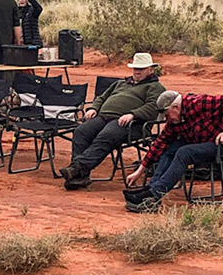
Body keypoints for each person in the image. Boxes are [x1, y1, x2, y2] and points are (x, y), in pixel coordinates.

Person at [124, 90, 223, 213]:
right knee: (170, 148)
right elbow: (160, 143)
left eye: (167, 115)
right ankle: (151, 190)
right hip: (206, 143)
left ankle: (154, 194)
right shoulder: (175, 120)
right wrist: (139, 171)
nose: (167, 119)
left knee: (185, 152)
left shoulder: (198, 103)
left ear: (176, 107)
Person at [62, 53, 166, 189]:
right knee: (81, 131)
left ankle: (77, 168)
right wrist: (93, 108)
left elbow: (153, 106)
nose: (137, 71)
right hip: (104, 117)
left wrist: (133, 114)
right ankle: (79, 177)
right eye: (135, 68)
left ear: (150, 70)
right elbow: (101, 97)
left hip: (132, 124)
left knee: (106, 135)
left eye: (141, 68)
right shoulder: (120, 83)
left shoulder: (155, 87)